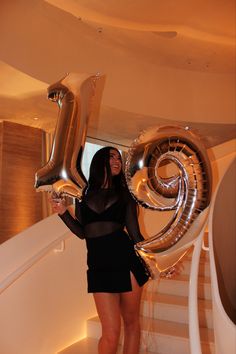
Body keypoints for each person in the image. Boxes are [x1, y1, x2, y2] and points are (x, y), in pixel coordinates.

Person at [50, 146, 150, 354]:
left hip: (127, 262)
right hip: (99, 266)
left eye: (119, 158)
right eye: (111, 156)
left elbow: (135, 235)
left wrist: (155, 259)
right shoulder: (83, 196)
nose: (117, 161)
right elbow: (83, 232)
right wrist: (62, 213)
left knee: (131, 324)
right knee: (110, 333)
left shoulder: (126, 195)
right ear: (99, 161)